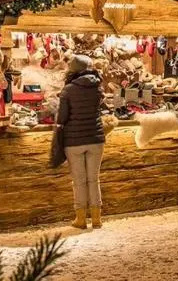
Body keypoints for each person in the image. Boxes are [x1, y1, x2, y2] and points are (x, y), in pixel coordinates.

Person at [57, 54, 105, 229]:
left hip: (74, 140)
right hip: (96, 138)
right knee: (94, 179)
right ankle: (97, 219)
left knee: (79, 181)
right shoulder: (98, 87)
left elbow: (62, 117)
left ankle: (81, 219)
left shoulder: (68, 90)